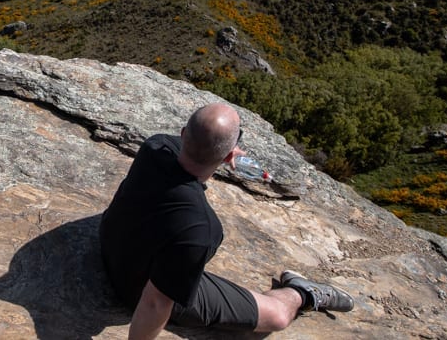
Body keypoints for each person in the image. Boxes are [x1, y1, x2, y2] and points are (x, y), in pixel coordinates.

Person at [99, 102, 353, 338]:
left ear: (183, 132)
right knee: (276, 316)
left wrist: (217, 148)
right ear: (230, 154)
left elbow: (194, 147)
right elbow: (155, 303)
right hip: (134, 287)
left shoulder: (155, 147)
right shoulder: (200, 228)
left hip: (110, 244)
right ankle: (302, 293)